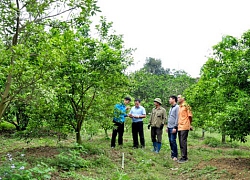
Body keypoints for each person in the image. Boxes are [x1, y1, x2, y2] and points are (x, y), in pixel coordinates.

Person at [177, 95, 193, 163]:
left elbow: (190, 116)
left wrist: (189, 124)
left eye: (179, 97)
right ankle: (182, 156)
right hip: (179, 126)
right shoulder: (179, 107)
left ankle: (184, 157)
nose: (178, 99)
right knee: (180, 141)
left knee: (183, 141)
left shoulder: (186, 106)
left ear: (183, 98)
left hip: (185, 125)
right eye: (177, 97)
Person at [166, 95, 179, 161]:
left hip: (173, 127)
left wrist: (175, 127)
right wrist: (167, 126)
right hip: (169, 127)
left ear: (174, 99)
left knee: (173, 140)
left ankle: (175, 155)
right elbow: (169, 118)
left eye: (170, 99)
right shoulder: (171, 108)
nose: (169, 100)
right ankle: (172, 154)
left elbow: (177, 117)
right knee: (170, 141)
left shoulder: (177, 107)